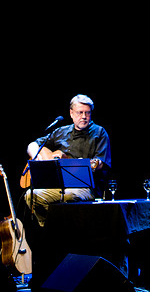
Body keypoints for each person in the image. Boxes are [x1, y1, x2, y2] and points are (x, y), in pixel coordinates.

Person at [24, 94, 111, 227]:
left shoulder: (99, 132)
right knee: (31, 195)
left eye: (87, 113)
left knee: (70, 195)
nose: (84, 116)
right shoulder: (60, 131)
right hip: (57, 186)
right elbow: (33, 145)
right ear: (71, 113)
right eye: (80, 112)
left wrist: (85, 164)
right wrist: (42, 158)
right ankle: (50, 227)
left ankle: (62, 228)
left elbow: (99, 164)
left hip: (86, 187)